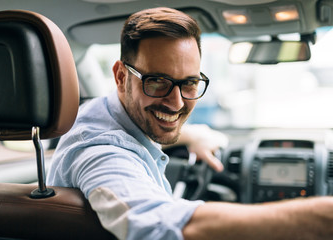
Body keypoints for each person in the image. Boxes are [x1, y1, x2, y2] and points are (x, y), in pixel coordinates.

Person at [47, 7, 333, 240]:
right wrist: (322, 217)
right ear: (121, 77)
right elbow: (157, 227)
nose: (178, 103)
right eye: (157, 82)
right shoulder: (98, 152)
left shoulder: (102, 115)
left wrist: (191, 135)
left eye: (190, 83)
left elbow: (142, 124)